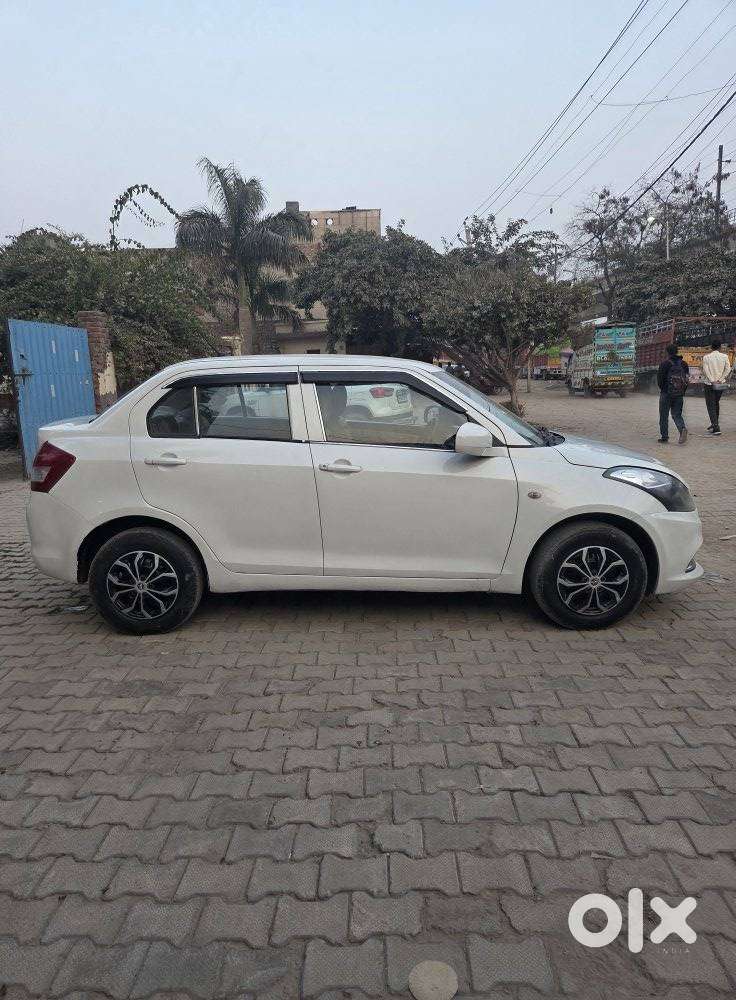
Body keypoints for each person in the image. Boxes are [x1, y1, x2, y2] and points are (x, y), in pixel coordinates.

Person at [657, 343, 689, 444]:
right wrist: (682, 391)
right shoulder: (684, 364)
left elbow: (660, 381)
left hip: (666, 393)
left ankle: (664, 437)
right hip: (679, 394)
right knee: (677, 415)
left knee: (664, 416)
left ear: (667, 353)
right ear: (677, 351)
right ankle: (682, 429)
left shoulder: (664, 364)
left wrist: (664, 390)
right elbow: (686, 379)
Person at [701, 338, 731, 436]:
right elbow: (728, 369)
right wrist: (720, 379)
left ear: (711, 347)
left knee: (711, 405)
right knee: (715, 403)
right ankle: (714, 424)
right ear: (720, 347)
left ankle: (716, 427)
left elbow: (706, 370)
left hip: (709, 384)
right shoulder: (725, 356)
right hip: (720, 384)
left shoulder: (706, 357)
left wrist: (712, 380)